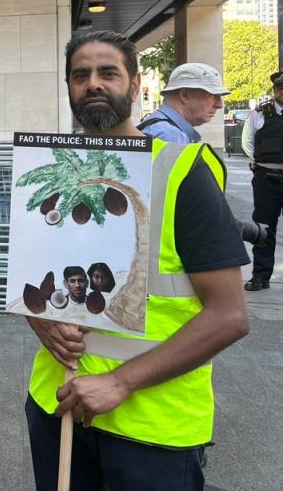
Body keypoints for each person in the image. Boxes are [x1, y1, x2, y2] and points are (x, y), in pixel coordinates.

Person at [25, 30, 250, 491]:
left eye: (108, 72)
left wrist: (121, 383)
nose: (93, 84)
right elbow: (32, 284)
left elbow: (229, 316)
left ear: (134, 83)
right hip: (58, 404)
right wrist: (39, 320)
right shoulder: (50, 167)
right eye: (80, 74)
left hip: (152, 427)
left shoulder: (182, 170)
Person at [241, 70, 283, 291]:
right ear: (275, 90)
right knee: (264, 229)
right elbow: (248, 143)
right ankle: (260, 277)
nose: (282, 92)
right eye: (279, 89)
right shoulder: (260, 114)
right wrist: (263, 163)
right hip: (267, 178)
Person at [137, 62, 229, 142]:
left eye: (220, 96)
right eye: (211, 95)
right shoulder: (171, 135)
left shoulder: (157, 127)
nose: (219, 104)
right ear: (185, 95)